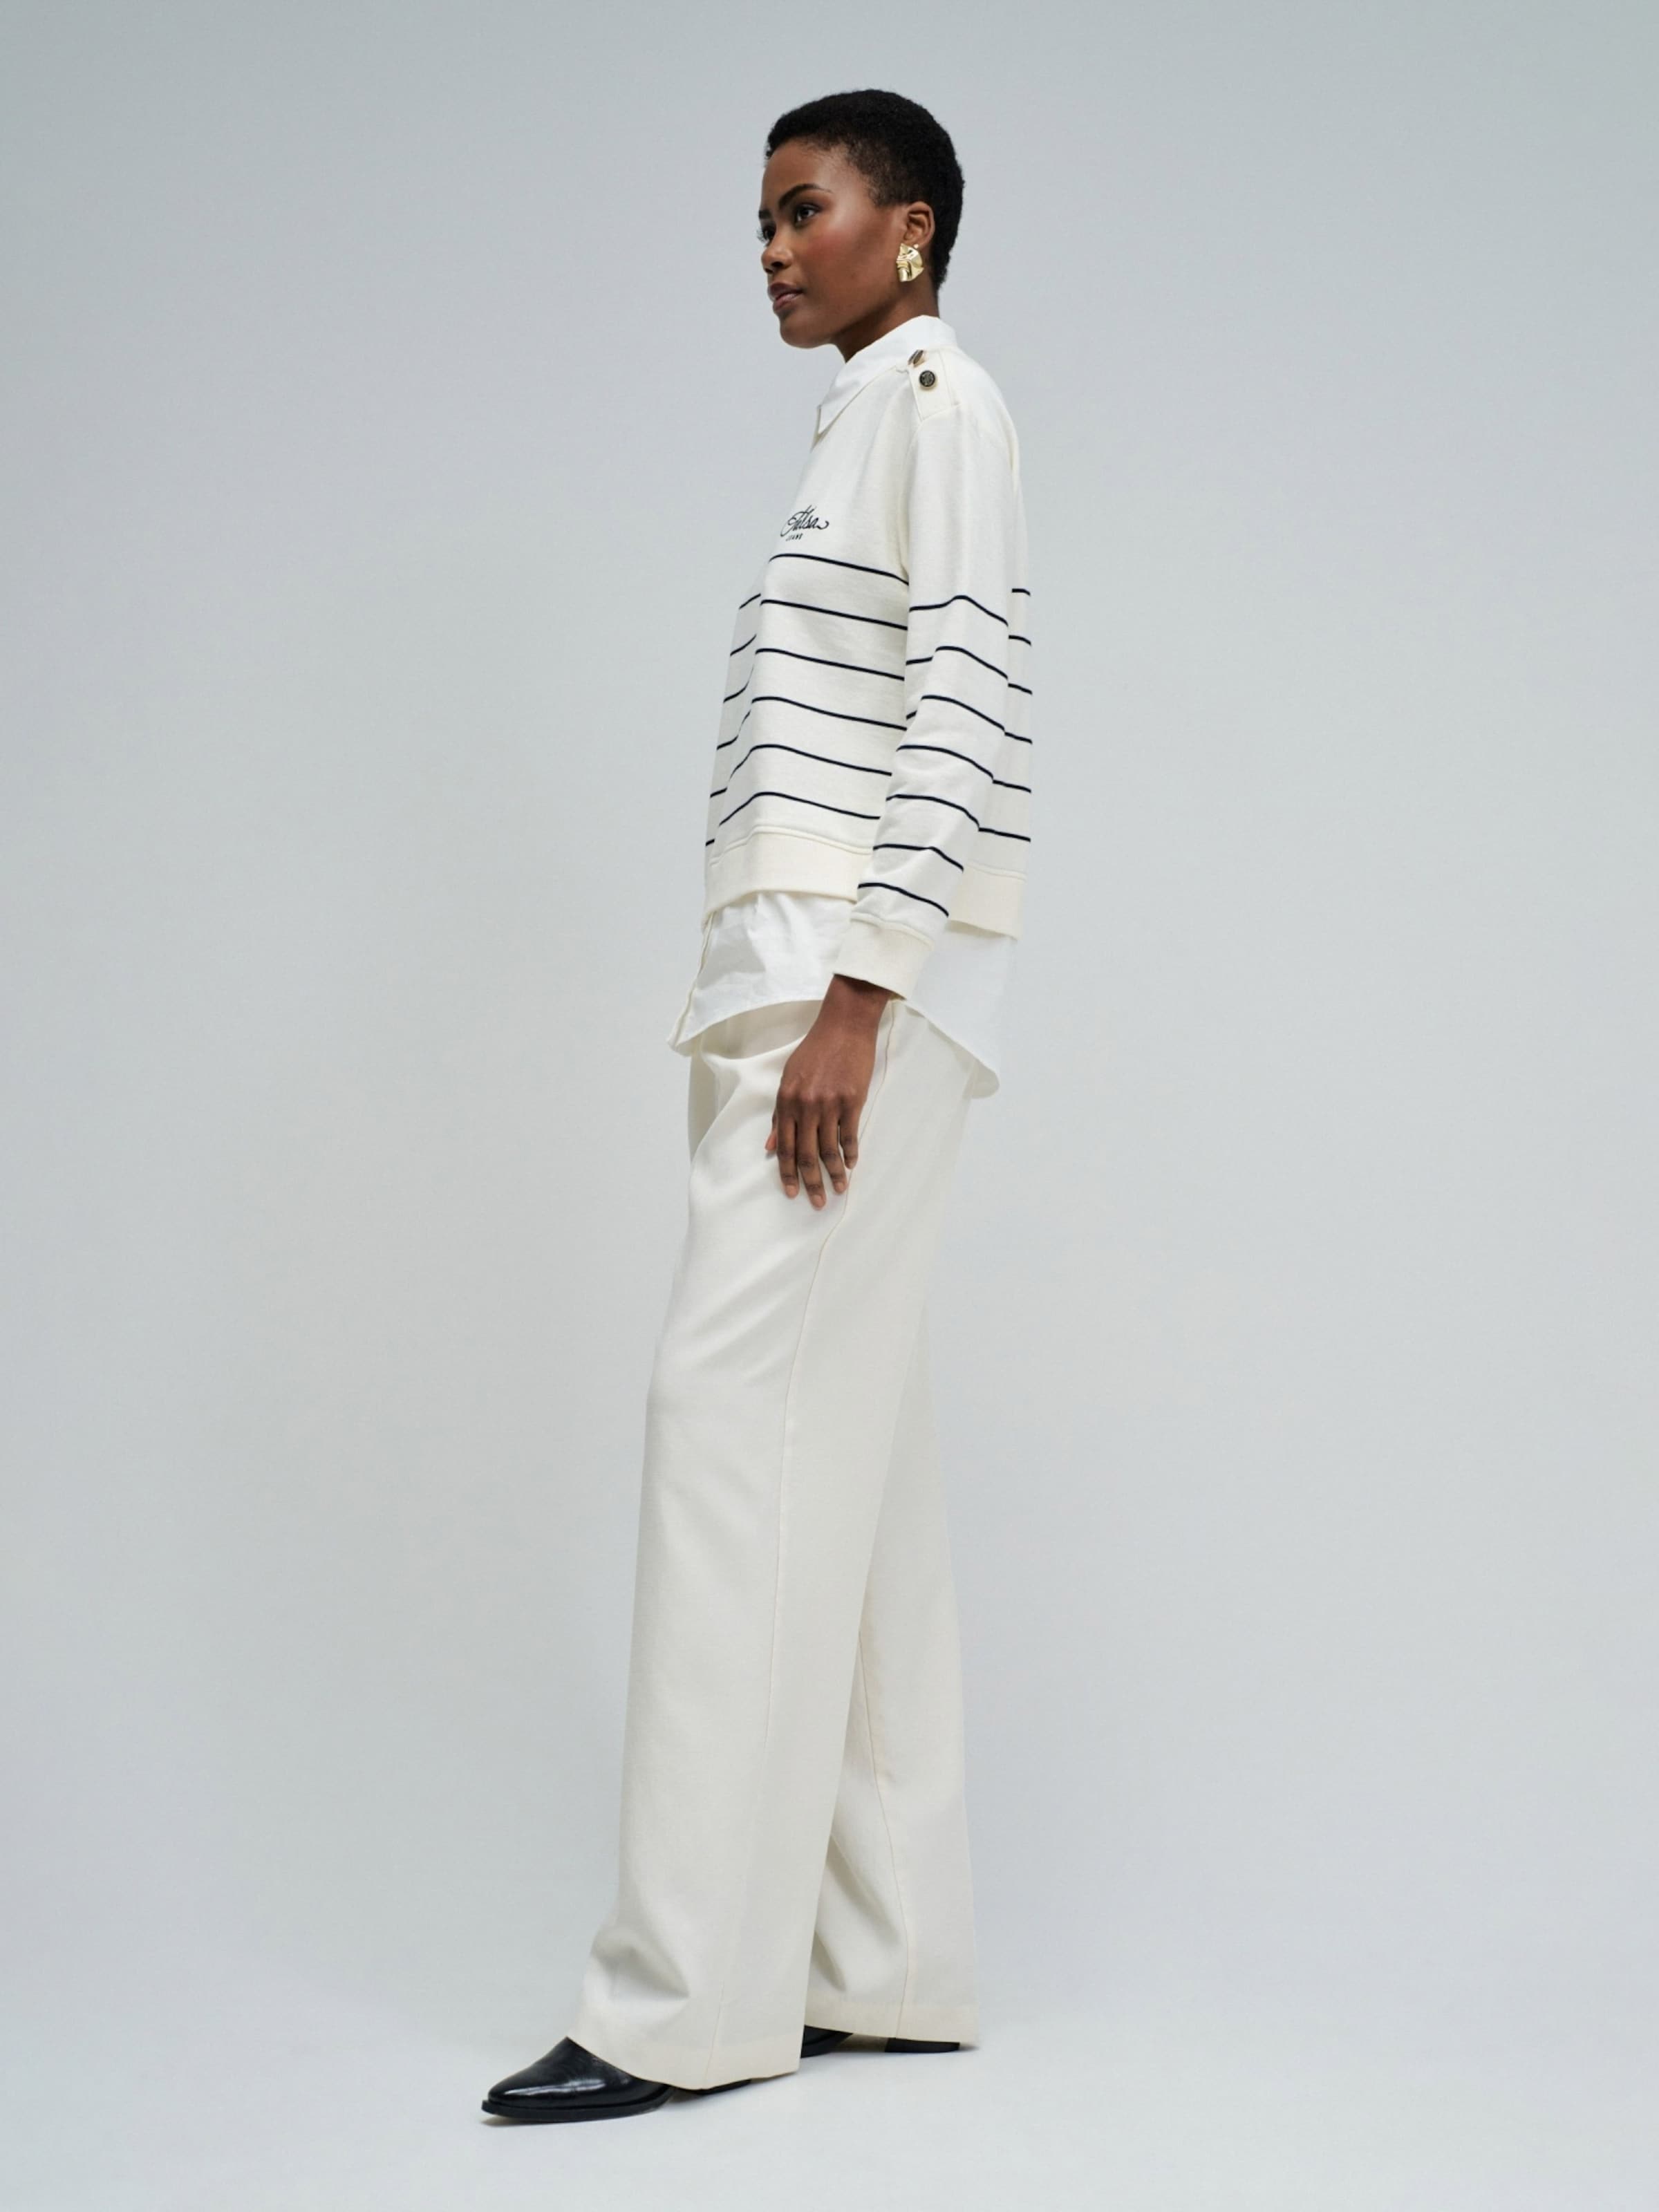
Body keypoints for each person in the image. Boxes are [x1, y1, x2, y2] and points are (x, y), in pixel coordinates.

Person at [482, 86, 1033, 2124]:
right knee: (849, 1470)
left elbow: (970, 702)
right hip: (796, 997)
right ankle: (890, 1964)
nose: (777, 247)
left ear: (912, 228)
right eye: (765, 221)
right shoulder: (862, 425)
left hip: (840, 1007)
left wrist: (859, 997)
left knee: (725, 1436)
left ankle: (681, 2004)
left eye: (809, 210)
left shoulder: (938, 408)